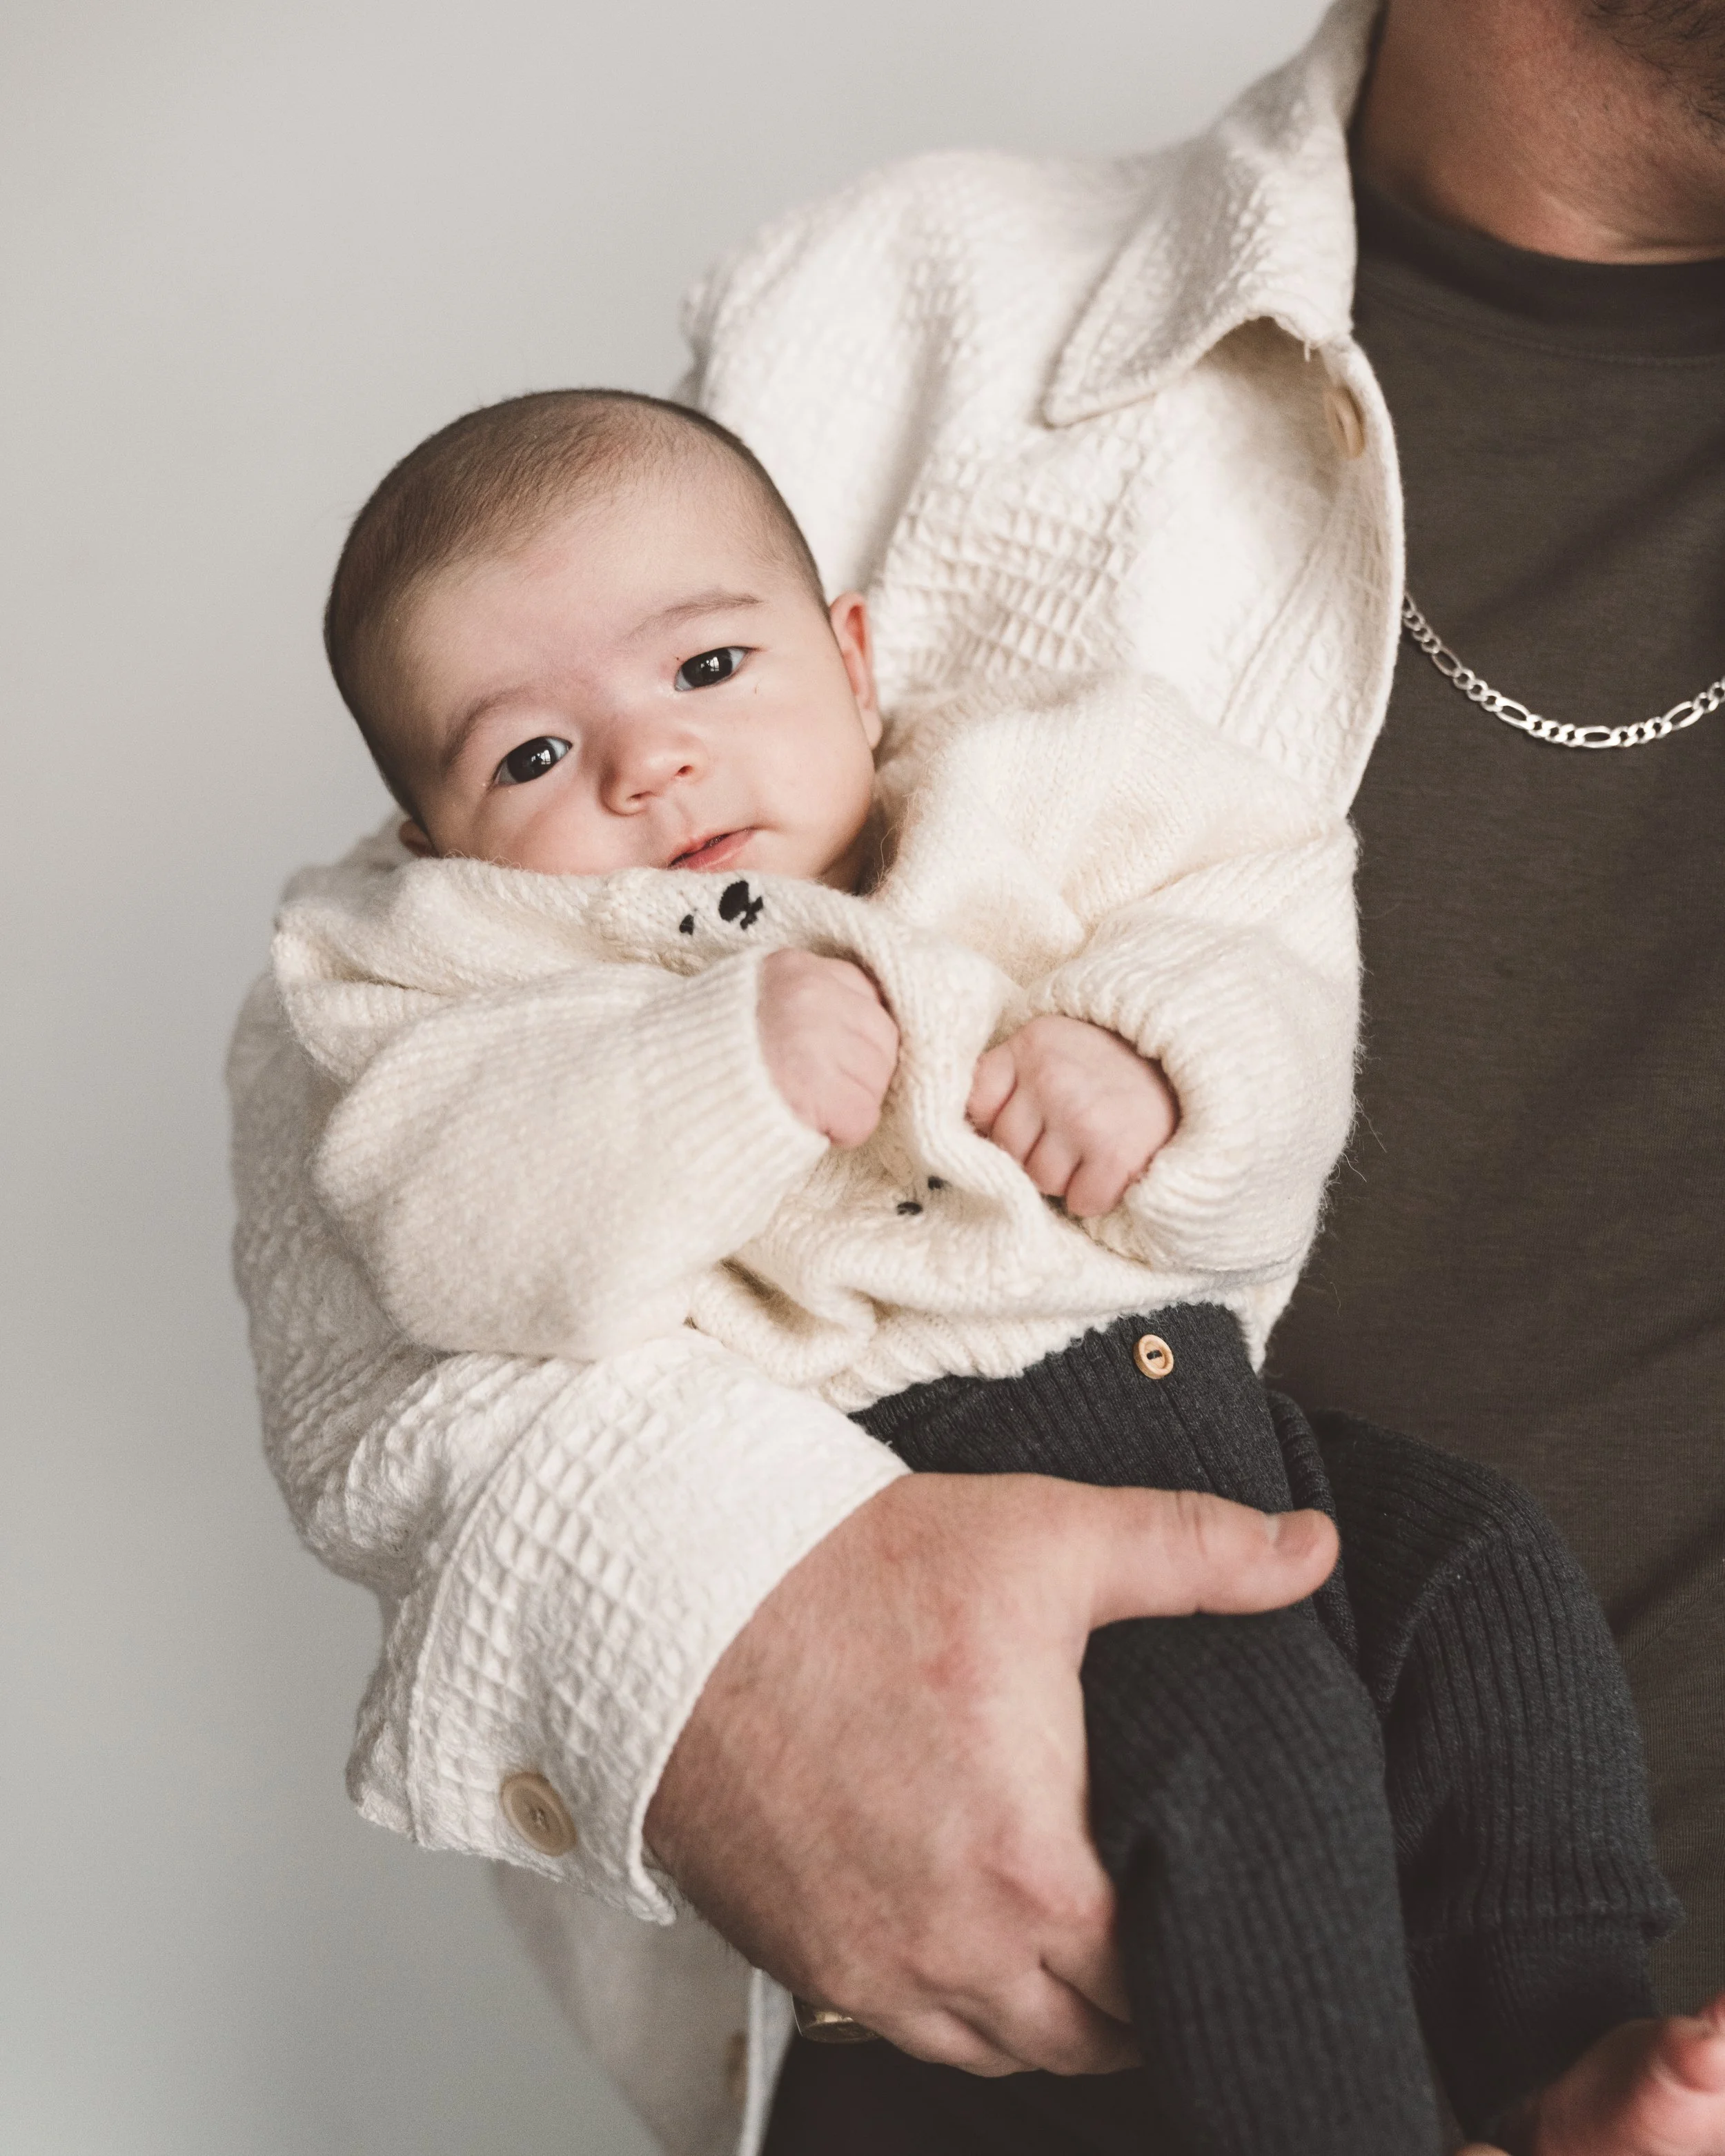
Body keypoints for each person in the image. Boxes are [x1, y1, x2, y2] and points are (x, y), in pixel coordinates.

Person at [224, 0, 1725, 2150]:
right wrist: (735, 1621)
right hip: (1025, 1679)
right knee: (1252, 1746)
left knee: (1476, 1569)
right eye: (536, 756)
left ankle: (1551, 1997)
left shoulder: (1030, 800)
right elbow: (374, 1197)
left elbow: (1236, 927)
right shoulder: (911, 325)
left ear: (843, 661)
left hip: (1250, 1478)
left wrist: (1158, 1067)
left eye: (709, 674)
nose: (647, 760)